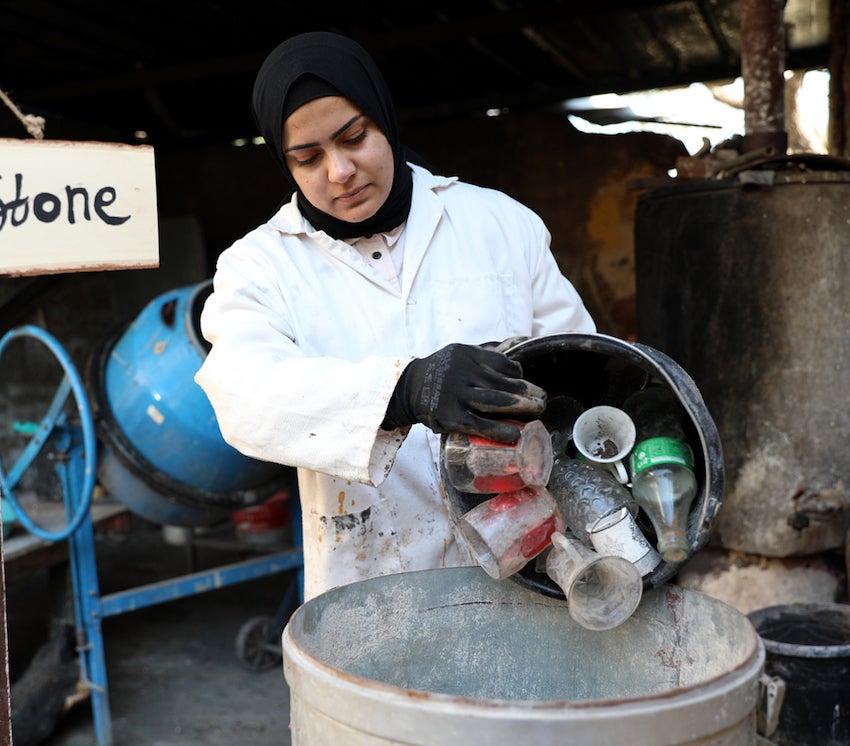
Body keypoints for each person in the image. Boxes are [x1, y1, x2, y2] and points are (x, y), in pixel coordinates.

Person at [194, 31, 596, 599]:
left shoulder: (498, 224)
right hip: (370, 579)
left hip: (524, 562)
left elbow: (583, 365)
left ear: (384, 119)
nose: (340, 171)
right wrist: (401, 390)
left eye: (354, 137)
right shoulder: (260, 266)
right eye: (308, 158)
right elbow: (242, 396)